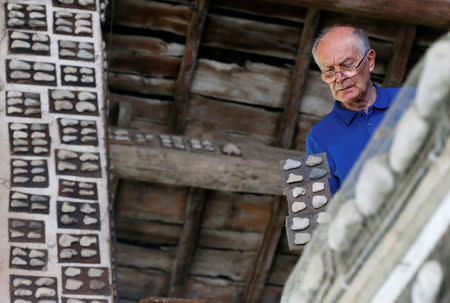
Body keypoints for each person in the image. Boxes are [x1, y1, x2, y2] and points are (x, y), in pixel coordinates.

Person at [306, 26, 400, 194]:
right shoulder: (318, 138)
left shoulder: (411, 99)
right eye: (329, 72)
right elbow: (322, 215)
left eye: (347, 66)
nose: (339, 79)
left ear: (370, 61)